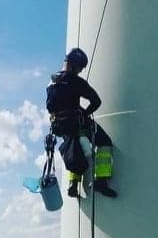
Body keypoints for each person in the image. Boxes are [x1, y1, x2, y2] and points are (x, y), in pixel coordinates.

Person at [46, 47, 117, 199]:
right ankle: (101, 181)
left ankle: (73, 184)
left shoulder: (52, 82)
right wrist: (84, 113)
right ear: (74, 65)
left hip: (61, 127)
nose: (79, 72)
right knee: (105, 142)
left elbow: (51, 107)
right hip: (77, 123)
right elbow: (96, 101)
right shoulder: (76, 82)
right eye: (79, 68)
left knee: (74, 149)